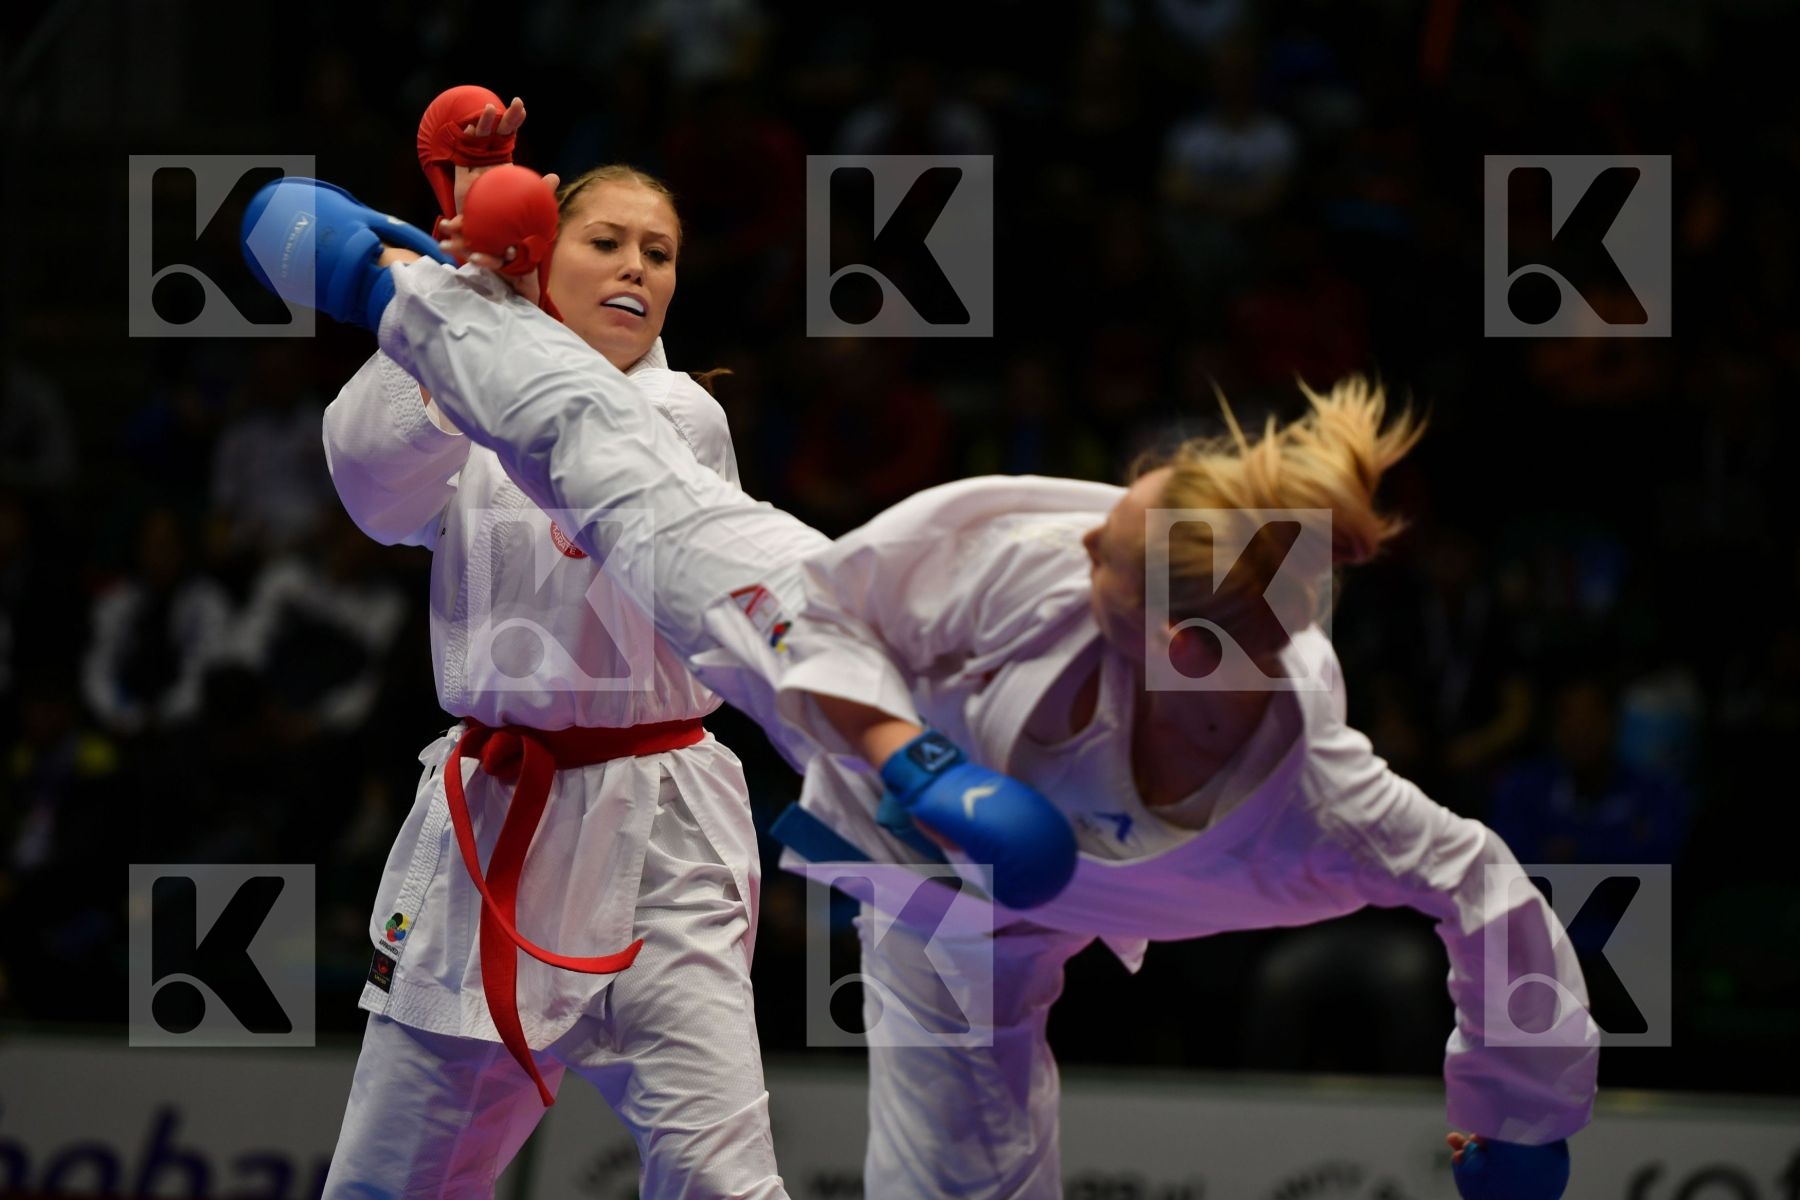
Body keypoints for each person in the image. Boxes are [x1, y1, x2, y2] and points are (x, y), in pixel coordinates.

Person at [244, 174, 1591, 1200]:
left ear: (1185, 648)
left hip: (999, 897)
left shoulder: (1322, 805)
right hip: (910, 796)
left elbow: (1489, 894)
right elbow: (812, 615)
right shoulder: (1025, 570)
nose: (1077, 557)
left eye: (1109, 574)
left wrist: (1521, 1115)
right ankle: (392, 285)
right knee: (621, 471)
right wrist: (911, 759)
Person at [312, 93, 787, 1199]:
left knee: (723, 1186)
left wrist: (485, 330)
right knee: (387, 1186)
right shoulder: (457, 394)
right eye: (607, 241)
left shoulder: (680, 418)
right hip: (492, 825)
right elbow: (371, 487)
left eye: (659, 254)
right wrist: (465, 291)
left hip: (661, 836)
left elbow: (599, 479)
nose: (637, 267)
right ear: (544, 253)